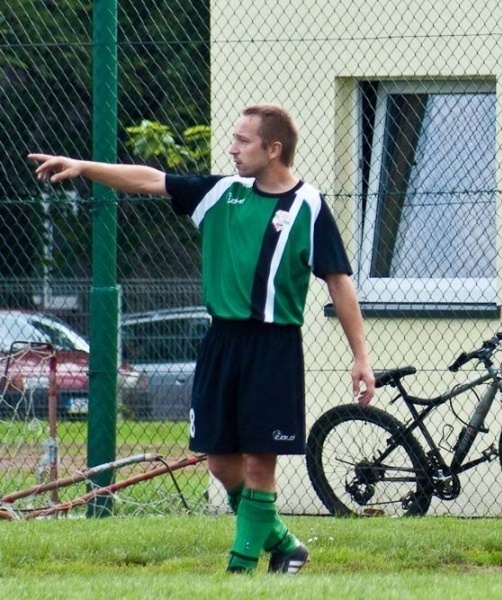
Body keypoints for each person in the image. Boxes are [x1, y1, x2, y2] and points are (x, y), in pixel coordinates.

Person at [29, 104, 376, 574]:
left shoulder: (308, 206)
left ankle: (240, 569)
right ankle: (284, 542)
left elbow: (338, 282)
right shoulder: (221, 194)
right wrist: (84, 168)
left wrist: (361, 356)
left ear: (273, 149)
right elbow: (151, 179)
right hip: (220, 344)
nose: (231, 148)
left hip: (273, 348)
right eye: (232, 139)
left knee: (259, 465)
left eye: (243, 141)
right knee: (221, 463)